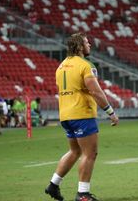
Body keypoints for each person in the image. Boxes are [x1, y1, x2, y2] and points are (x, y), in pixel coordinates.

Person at [44, 33, 119, 201]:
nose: (89, 45)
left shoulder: (61, 66)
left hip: (66, 114)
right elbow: (96, 91)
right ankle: (83, 194)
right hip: (82, 114)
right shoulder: (85, 65)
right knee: (90, 153)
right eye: (86, 42)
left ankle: (53, 185)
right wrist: (110, 112)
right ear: (79, 47)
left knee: (75, 151)